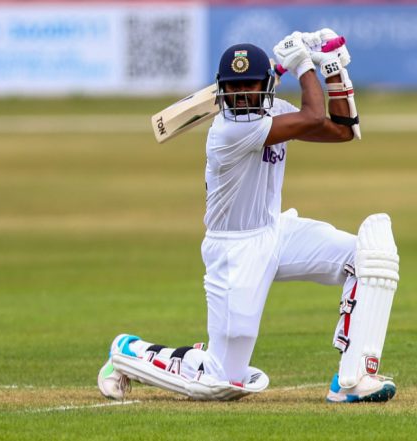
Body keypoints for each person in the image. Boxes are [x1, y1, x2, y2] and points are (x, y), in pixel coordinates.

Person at [97, 30, 400, 403]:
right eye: (235, 87)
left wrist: (332, 67)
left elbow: (340, 130)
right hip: (234, 250)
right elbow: (313, 114)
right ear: (222, 90)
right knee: (221, 382)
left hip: (277, 231)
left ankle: (351, 381)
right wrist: (305, 64)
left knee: (366, 258)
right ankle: (127, 353)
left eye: (251, 85)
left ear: (268, 86)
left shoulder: (277, 113)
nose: (242, 95)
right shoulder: (228, 130)